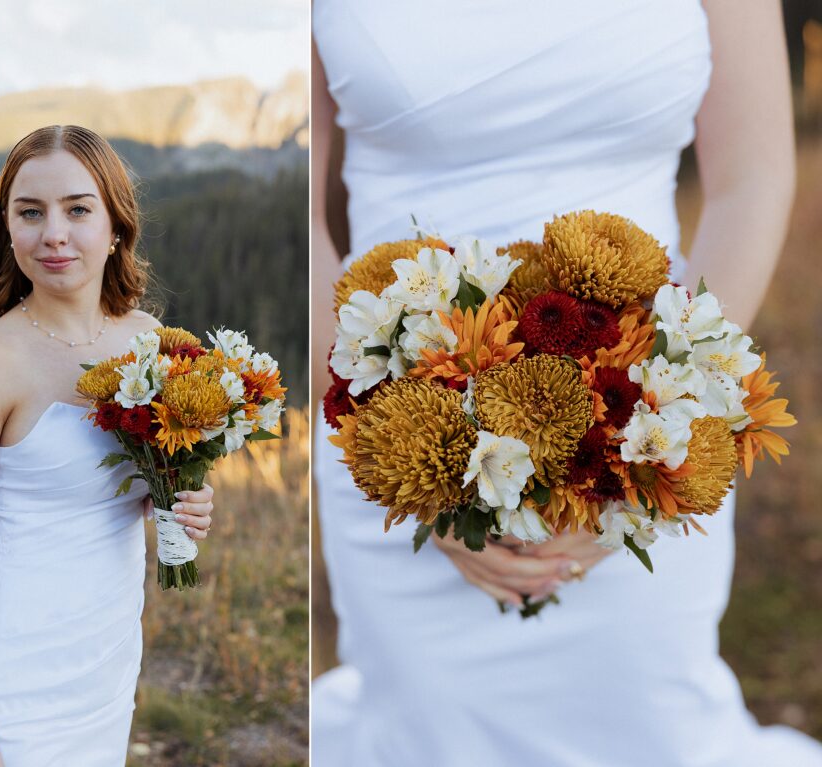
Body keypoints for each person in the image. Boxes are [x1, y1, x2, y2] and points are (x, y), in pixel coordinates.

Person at [311, 2, 822, 765]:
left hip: (647, 422)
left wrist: (670, 401)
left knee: (645, 726)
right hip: (391, 425)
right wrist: (400, 452)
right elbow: (302, 219)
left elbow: (752, 178)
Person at [0, 125, 215, 766]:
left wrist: (181, 500)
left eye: (77, 209)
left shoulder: (151, 343)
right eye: (31, 213)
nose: (53, 232)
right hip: (14, 671)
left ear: (115, 226)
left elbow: (137, 489)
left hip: (106, 653)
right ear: (7, 230)